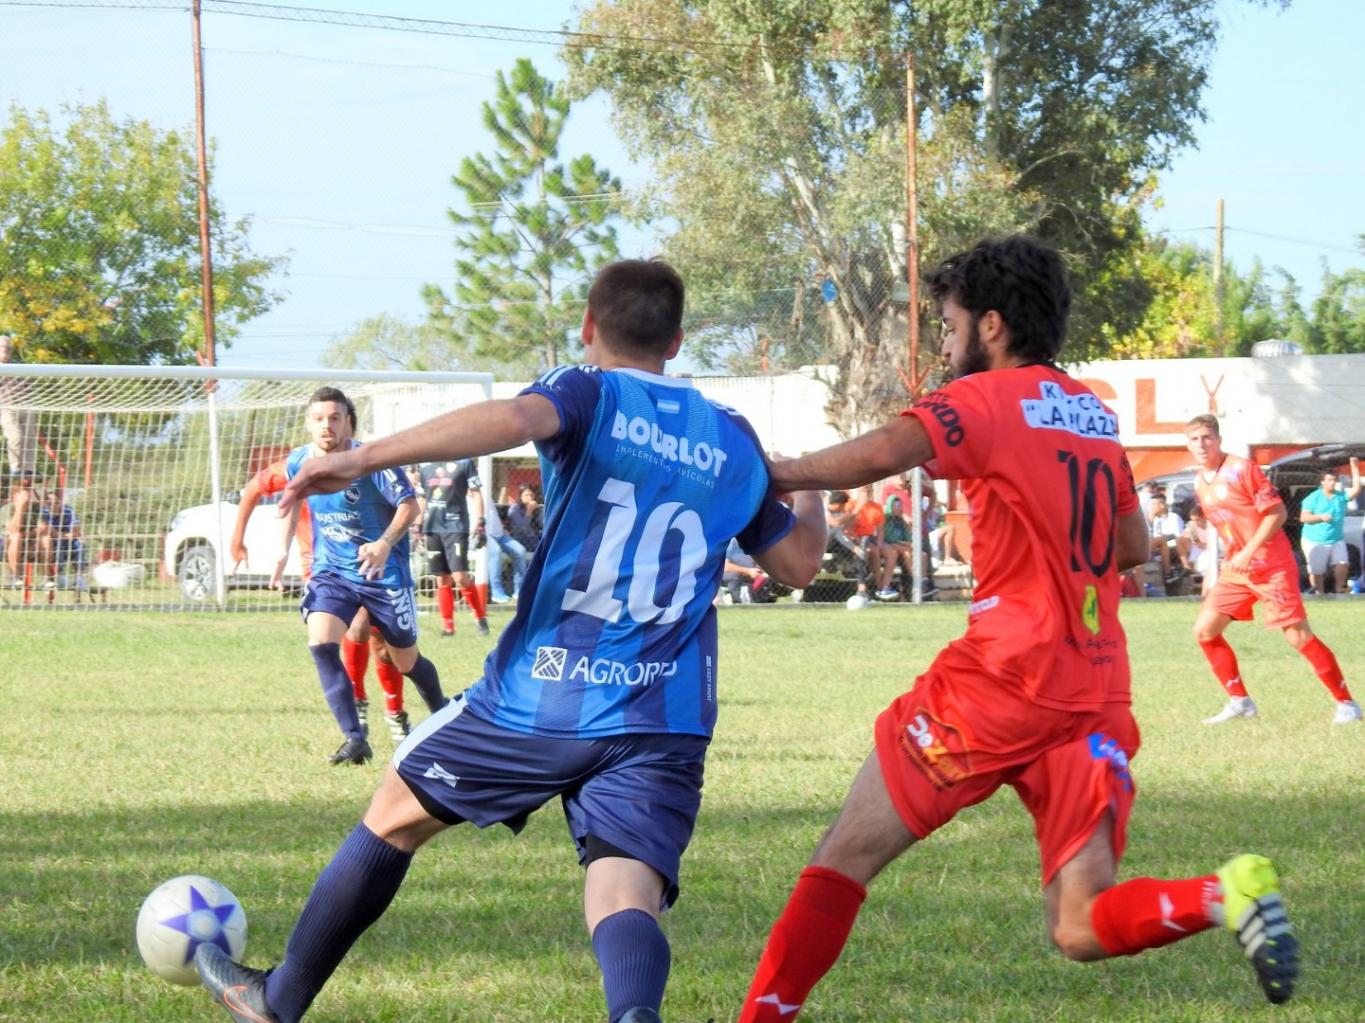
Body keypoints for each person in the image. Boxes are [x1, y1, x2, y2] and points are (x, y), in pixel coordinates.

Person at [194, 258, 827, 1023]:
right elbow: (797, 564)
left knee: (394, 813)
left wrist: (360, 457)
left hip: (542, 694)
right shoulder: (730, 436)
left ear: (589, 327)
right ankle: (634, 1016)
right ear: (678, 341)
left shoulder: (586, 389)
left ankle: (279, 998)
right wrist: (809, 484)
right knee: (626, 886)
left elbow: (518, 421)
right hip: (663, 714)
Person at [735, 236, 1299, 1023]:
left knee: (842, 859)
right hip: (1095, 689)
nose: (945, 339)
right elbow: (1132, 546)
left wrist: (771, 469)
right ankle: (1223, 893)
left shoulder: (982, 399)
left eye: (950, 323)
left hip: (1002, 678)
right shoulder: (1093, 414)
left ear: (991, 325)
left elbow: (882, 452)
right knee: (1077, 922)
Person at [274, 387, 448, 766]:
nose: (327, 426)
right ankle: (356, 738)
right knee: (320, 642)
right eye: (319, 419)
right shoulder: (299, 461)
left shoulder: (372, 461)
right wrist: (283, 550)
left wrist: (384, 543)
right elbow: (293, 503)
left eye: (335, 418)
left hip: (383, 576)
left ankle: (446, 719)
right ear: (308, 423)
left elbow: (410, 505)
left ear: (348, 422)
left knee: (405, 661)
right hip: (332, 572)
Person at [1185, 415, 1360, 725]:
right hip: (1238, 569)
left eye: (1207, 437)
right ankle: (1240, 702)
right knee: (1204, 631)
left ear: (1219, 439)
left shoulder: (1242, 468)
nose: (1201, 444)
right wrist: (1219, 567)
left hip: (1271, 564)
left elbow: (1277, 513)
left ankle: (1346, 704)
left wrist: (1250, 550)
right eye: (1195, 438)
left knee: (1297, 636)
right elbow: (1222, 526)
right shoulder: (1200, 480)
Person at [231, 453, 413, 745]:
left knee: (382, 645)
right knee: (354, 629)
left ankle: (395, 712)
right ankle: (357, 707)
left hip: (371, 563)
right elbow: (255, 487)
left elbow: (405, 503)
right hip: (325, 569)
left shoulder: (366, 464)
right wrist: (236, 539)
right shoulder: (299, 465)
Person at [416, 457, 490, 636]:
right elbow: (422, 498)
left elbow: (476, 492)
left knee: (460, 576)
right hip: (432, 527)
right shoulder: (425, 465)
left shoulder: (464, 463)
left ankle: (480, 617)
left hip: (455, 526)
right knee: (441, 579)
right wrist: (417, 525)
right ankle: (448, 626)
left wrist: (480, 521)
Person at [1298, 460, 1361, 595]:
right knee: (1317, 571)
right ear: (1322, 482)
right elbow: (1304, 518)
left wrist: (1354, 468)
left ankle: (1339, 590)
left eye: (1334, 480)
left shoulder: (1340, 496)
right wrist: (1320, 517)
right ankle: (1319, 594)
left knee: (1343, 563)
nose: (1332, 482)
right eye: (1329, 480)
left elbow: (1356, 490)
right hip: (1314, 540)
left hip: (1336, 538)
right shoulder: (1313, 498)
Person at [0, 335, 38, 478]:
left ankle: (29, 469)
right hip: (6, 407)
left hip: (25, 404)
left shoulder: (18, 365)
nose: (6, 351)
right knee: (16, 437)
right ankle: (15, 468)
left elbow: (28, 383)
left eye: (9, 348)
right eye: (3, 348)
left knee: (30, 437)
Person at [38, 487, 85, 591]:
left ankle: (79, 577)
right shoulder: (43, 513)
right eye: (50, 503)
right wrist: (64, 535)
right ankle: (59, 575)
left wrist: (64, 535)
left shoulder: (68, 511)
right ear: (46, 503)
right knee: (59, 543)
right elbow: (47, 531)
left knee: (79, 544)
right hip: (49, 543)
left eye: (56, 503)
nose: (53, 506)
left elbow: (77, 532)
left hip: (68, 540)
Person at [1147, 493, 1185, 593]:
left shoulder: (1173, 518)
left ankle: (1169, 574)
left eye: (1153, 504)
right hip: (1155, 547)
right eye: (1151, 504)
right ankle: (1168, 573)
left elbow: (1178, 536)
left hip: (1171, 546)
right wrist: (1150, 520)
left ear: (1162, 505)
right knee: (1161, 541)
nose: (1151, 507)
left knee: (1164, 541)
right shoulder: (1152, 519)